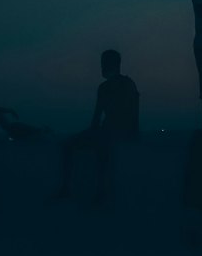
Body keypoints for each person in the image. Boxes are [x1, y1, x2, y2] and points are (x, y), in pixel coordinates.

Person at [53, 50, 140, 205]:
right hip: (108, 131)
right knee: (69, 144)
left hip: (118, 131)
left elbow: (131, 113)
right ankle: (67, 187)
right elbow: (98, 117)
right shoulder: (106, 87)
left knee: (100, 145)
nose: (101, 67)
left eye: (103, 64)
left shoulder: (125, 84)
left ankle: (100, 190)